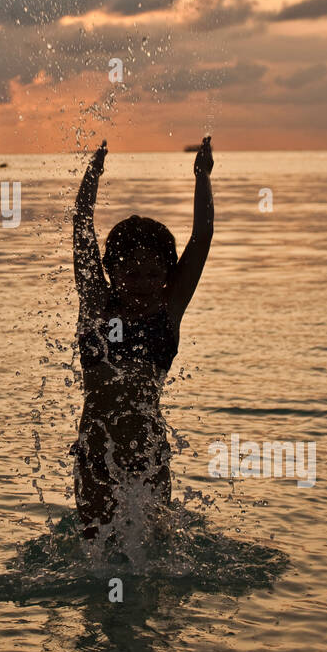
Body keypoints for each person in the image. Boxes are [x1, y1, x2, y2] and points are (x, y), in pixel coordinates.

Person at [72, 137, 214, 542]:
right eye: (131, 274)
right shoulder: (97, 307)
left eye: (153, 275)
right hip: (95, 458)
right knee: (94, 554)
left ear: (166, 275)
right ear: (112, 271)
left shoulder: (167, 313)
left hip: (149, 457)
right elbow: (81, 226)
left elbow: (202, 237)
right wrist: (92, 175)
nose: (143, 284)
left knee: (155, 554)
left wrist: (202, 176)